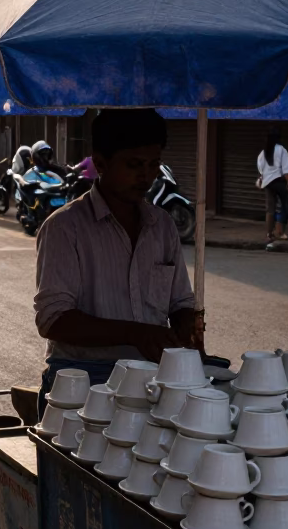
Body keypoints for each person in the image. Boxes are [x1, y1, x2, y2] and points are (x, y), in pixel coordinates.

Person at [33, 109, 200, 409]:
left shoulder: (162, 226)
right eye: (134, 165)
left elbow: (179, 303)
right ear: (101, 163)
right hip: (80, 381)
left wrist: (187, 327)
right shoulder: (64, 228)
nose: (146, 176)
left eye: (153, 165)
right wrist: (135, 333)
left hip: (152, 380)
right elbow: (52, 320)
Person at [257, 127, 288, 247]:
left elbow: (260, 169)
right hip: (279, 182)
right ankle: (279, 232)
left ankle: (269, 234)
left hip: (268, 183)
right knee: (285, 206)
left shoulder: (263, 152)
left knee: (270, 209)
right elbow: (286, 168)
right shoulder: (281, 150)